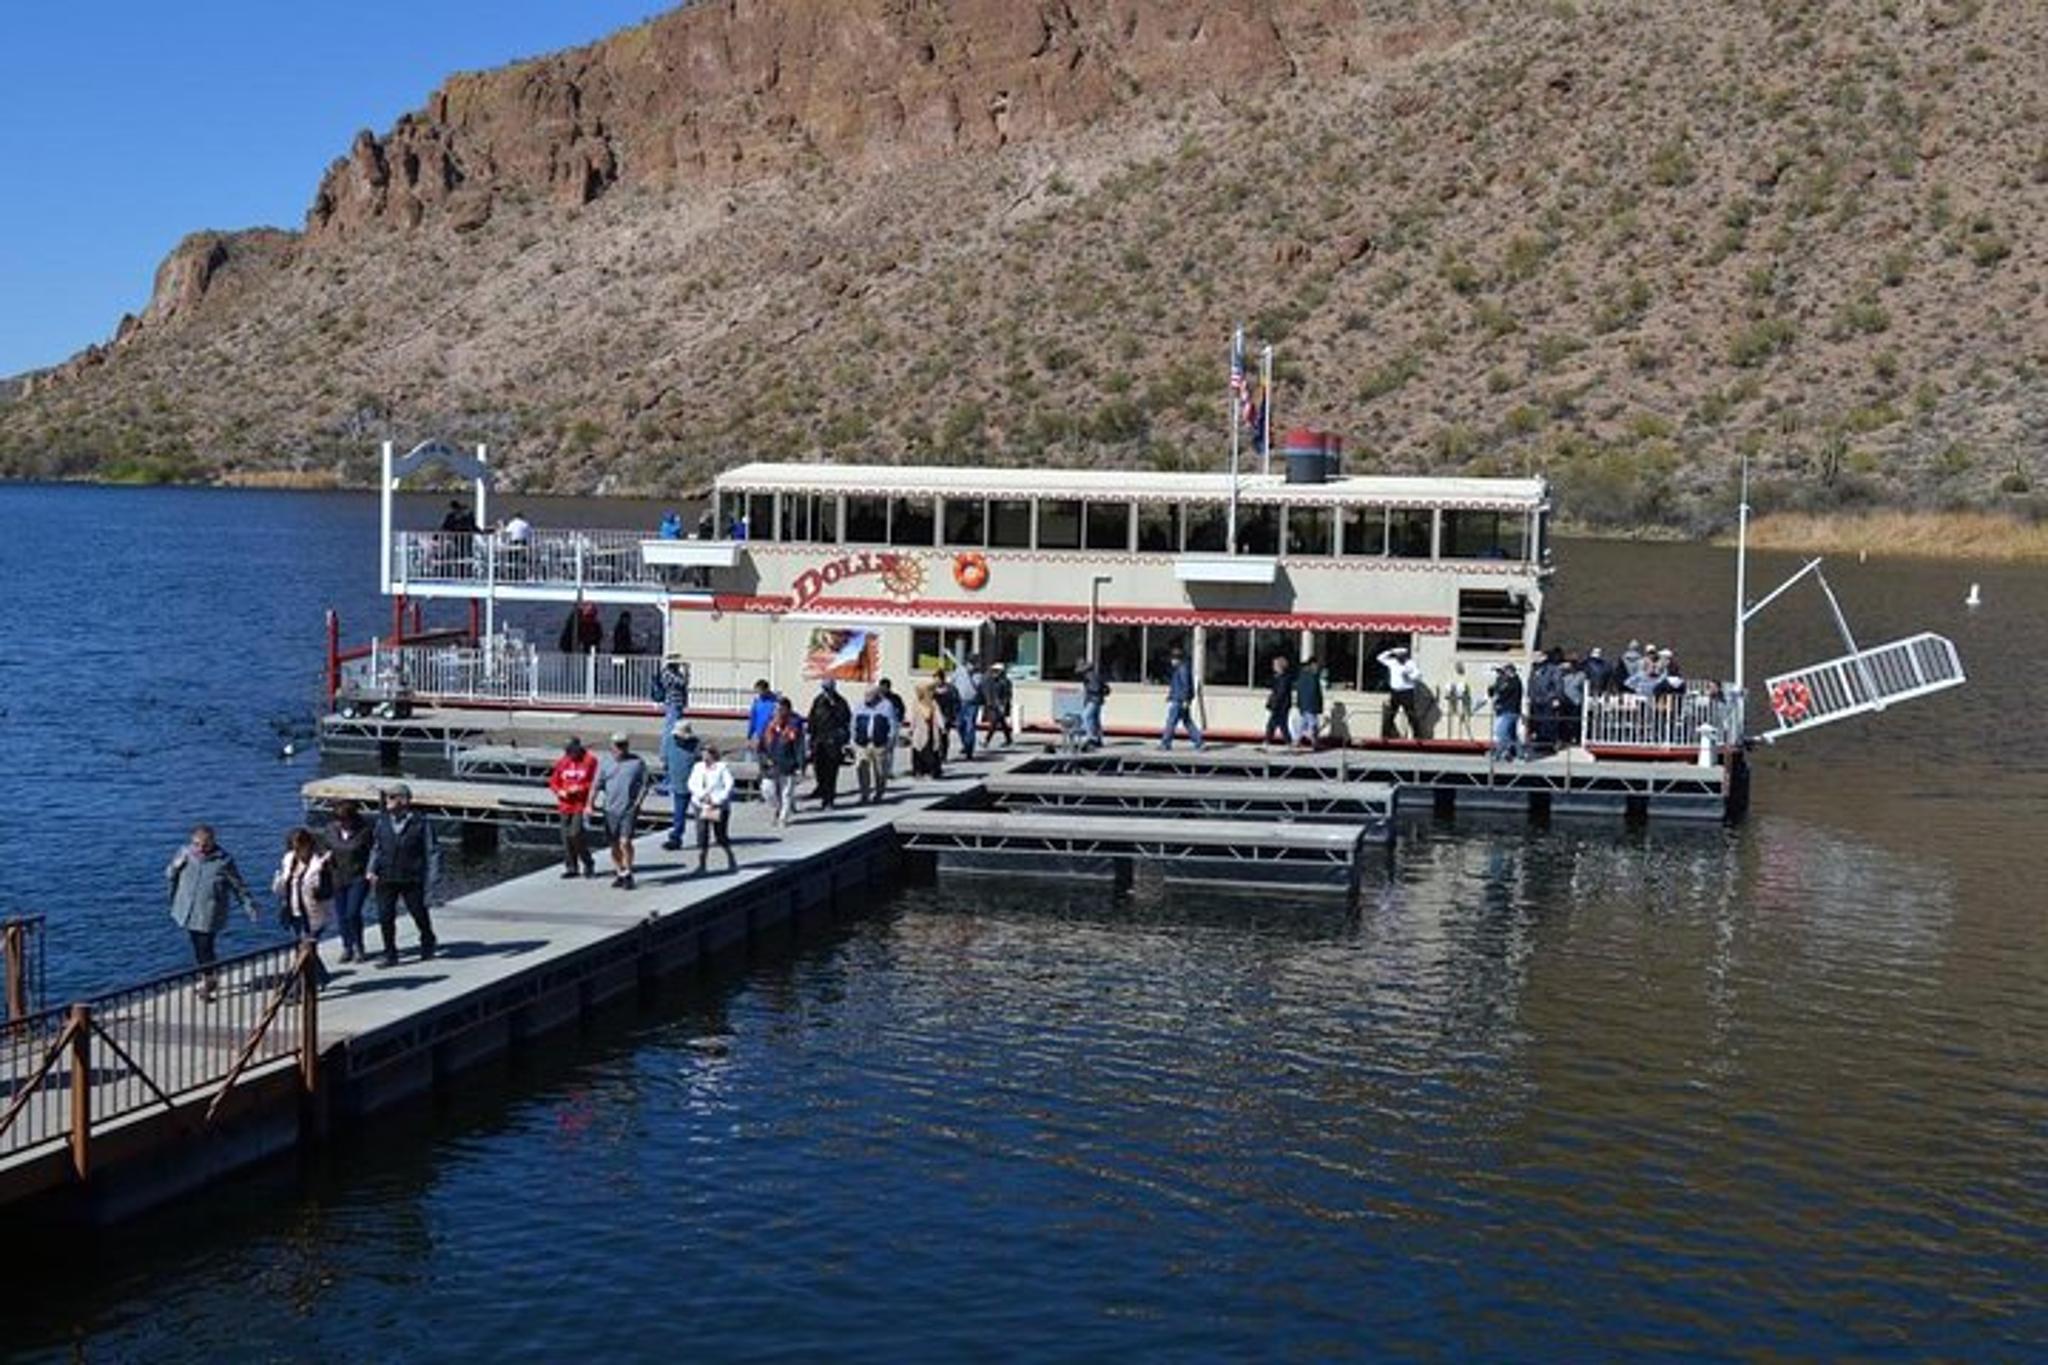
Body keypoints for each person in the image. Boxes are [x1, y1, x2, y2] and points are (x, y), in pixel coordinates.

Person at [166, 824, 256, 1001]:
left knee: (205, 946)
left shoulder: (224, 860)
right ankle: (208, 976)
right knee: (197, 946)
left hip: (209, 912)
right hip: (188, 910)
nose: (200, 848)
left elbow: (237, 885)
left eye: (204, 844)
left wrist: (248, 905)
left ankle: (208, 981)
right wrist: (175, 866)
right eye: (196, 844)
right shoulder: (185, 853)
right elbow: (169, 875)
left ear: (213, 842)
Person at [367, 785, 439, 967]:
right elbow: (376, 847)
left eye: (391, 797)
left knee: (418, 912)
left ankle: (428, 939)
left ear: (403, 800)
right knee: (385, 916)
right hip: (386, 876)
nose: (387, 801)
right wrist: (371, 869)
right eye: (387, 797)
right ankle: (390, 953)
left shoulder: (421, 822)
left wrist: (432, 878)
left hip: (411, 876)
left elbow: (432, 851)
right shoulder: (382, 822)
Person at [271, 827, 334, 987]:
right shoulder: (289, 860)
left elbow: (326, 892)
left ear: (308, 845)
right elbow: (284, 886)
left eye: (300, 848)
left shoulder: (319, 864)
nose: (298, 852)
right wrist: (278, 882)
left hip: (315, 913)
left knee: (305, 949)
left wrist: (319, 880)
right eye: (294, 848)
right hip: (294, 911)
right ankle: (321, 977)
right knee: (304, 948)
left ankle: (300, 985)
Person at [594, 732, 651, 889]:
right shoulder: (605, 763)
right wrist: (589, 804)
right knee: (613, 844)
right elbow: (596, 785)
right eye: (618, 745)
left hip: (628, 808)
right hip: (609, 809)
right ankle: (620, 872)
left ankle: (628, 873)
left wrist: (638, 803)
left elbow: (645, 784)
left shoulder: (637, 762)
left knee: (625, 842)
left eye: (623, 745)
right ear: (612, 746)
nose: (621, 749)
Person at [321, 799, 374, 964]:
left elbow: (373, 851)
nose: (341, 824)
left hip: (358, 876)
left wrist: (371, 871)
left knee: (353, 913)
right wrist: (325, 856)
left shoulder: (364, 831)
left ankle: (359, 946)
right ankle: (347, 946)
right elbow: (325, 846)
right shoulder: (330, 829)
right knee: (342, 915)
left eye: (344, 820)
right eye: (338, 820)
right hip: (337, 877)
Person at [547, 737, 601, 877]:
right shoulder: (563, 762)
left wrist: (580, 788)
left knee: (575, 833)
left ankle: (588, 862)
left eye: (571, 751)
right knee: (566, 837)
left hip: (580, 804)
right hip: (565, 804)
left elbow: (595, 782)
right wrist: (559, 791)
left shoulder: (590, 761)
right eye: (567, 751)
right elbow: (553, 782)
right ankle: (571, 867)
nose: (570, 754)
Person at [687, 744, 739, 874]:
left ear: (713, 754)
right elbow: (691, 784)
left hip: (717, 805)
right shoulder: (697, 767)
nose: (704, 755)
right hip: (701, 804)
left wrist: (718, 800)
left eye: (707, 753)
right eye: (703, 752)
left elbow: (729, 785)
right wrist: (702, 795)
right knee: (702, 833)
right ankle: (702, 864)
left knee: (720, 834)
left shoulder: (722, 768)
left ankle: (730, 857)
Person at [759, 697, 806, 826]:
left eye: (780, 709)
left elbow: (799, 747)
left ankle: (783, 818)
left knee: (786, 793)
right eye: (775, 709)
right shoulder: (769, 725)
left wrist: (801, 765)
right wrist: (763, 760)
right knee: (767, 790)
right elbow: (761, 747)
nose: (777, 711)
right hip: (771, 765)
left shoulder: (794, 725)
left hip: (788, 764)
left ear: (787, 710)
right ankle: (778, 807)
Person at [807, 679, 852, 810]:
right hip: (819, 742)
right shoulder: (818, 701)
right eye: (824, 688)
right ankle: (822, 791)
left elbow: (845, 720)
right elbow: (812, 720)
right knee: (819, 771)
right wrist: (810, 738)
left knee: (831, 773)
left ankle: (829, 800)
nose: (826, 691)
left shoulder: (840, 702)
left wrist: (844, 741)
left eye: (828, 688)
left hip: (833, 743)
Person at [662, 720, 701, 851]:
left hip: (697, 786)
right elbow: (665, 760)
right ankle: (675, 838)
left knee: (702, 813)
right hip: (679, 784)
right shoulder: (670, 742)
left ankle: (705, 835)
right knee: (679, 814)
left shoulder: (696, 744)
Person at [853, 687, 896, 803]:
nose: (866, 697)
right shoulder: (859, 706)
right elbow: (853, 723)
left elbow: (892, 725)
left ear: (877, 695)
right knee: (862, 769)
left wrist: (890, 741)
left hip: (879, 743)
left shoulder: (886, 706)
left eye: (869, 695)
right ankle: (864, 794)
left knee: (880, 770)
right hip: (862, 743)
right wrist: (853, 740)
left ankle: (879, 793)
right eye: (865, 695)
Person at [1160, 646, 1203, 750]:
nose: (1171, 661)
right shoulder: (1180, 669)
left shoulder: (1182, 669)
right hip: (1179, 699)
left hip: (1179, 700)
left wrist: (1185, 700)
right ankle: (1199, 742)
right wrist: (1170, 696)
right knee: (1187, 722)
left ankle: (1165, 743)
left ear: (1177, 659)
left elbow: (1185, 685)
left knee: (1171, 721)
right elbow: (1177, 685)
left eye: (1173, 659)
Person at [1378, 645, 1423, 740]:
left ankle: (1418, 735)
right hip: (1395, 692)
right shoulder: (1392, 662)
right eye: (1398, 656)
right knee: (1390, 714)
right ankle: (1385, 735)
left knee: (1411, 714)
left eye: (1401, 656)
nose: (1399, 658)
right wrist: (1391, 651)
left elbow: (1418, 675)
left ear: (1405, 655)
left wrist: (1409, 675)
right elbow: (1380, 658)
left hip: (1407, 692)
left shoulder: (1410, 663)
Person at [1488, 663, 1524, 762]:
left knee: (1501, 732)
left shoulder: (1514, 682)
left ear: (1510, 671)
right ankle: (1520, 754)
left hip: (1509, 711)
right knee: (1512, 735)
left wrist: (1498, 687)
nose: (1504, 674)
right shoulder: (1512, 681)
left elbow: (1504, 692)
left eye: (1506, 671)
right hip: (1511, 711)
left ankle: (1499, 753)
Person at [910, 683, 946, 778]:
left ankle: (933, 771)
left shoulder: (933, 703)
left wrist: (942, 727)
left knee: (931, 751)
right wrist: (911, 729)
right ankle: (919, 771)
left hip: (931, 731)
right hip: (919, 731)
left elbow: (938, 716)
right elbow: (913, 718)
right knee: (918, 750)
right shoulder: (916, 703)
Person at [1262, 655, 1296, 749]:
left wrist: (1275, 703)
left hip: (1280, 705)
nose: (1273, 667)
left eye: (1275, 665)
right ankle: (1289, 743)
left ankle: (1267, 743)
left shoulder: (1283, 679)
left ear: (1280, 666)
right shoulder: (1279, 677)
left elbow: (1280, 693)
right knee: (1282, 725)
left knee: (1272, 724)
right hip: (1282, 705)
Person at [954, 656, 983, 760]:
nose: (972, 666)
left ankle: (969, 750)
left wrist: (970, 675)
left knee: (970, 726)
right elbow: (953, 682)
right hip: (960, 702)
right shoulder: (959, 670)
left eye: (974, 664)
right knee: (959, 725)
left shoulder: (978, 675)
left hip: (972, 703)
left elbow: (977, 686)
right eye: (971, 664)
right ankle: (965, 744)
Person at [877, 678, 907, 778]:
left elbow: (902, 710)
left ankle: (888, 771)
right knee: (879, 751)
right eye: (881, 686)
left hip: (892, 727)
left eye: (885, 687)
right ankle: (879, 771)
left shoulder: (895, 698)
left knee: (889, 750)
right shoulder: (876, 698)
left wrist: (899, 722)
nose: (883, 689)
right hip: (879, 727)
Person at [1294, 657, 1326, 749]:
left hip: (1306, 704)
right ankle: (1314, 742)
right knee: (1313, 724)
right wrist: (1318, 705)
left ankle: (1297, 740)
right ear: (1312, 665)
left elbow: (1300, 691)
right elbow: (1314, 692)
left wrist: (1300, 703)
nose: (1317, 667)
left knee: (1303, 723)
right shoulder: (1312, 676)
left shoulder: (1303, 675)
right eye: (1316, 665)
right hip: (1311, 704)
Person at [981, 662, 1015, 748]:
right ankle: (1008, 739)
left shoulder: (1005, 682)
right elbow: (987, 690)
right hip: (993, 705)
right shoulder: (991, 680)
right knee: (1002, 723)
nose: (994, 673)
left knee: (994, 723)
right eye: (993, 671)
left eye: (996, 671)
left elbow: (1007, 695)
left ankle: (986, 741)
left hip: (1000, 705)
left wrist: (1003, 705)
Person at [931, 668, 961, 762]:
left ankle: (943, 754)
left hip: (947, 716)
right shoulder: (932, 689)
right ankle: (936, 754)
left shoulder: (951, 689)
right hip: (935, 715)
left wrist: (954, 715)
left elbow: (956, 702)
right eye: (934, 678)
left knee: (944, 735)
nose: (936, 681)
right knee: (936, 736)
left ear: (942, 678)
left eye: (937, 678)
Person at [1078, 658, 1109, 749]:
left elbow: (1095, 688)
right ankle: (1098, 738)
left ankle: (1091, 737)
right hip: (1098, 700)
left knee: (1086, 716)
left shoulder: (1090, 677)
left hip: (1093, 700)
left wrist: (1089, 693)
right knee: (1095, 720)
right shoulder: (1094, 675)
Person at [655, 656, 692, 729]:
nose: (679, 665)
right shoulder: (668, 673)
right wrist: (686, 671)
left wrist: (686, 673)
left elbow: (685, 683)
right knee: (671, 724)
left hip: (678, 702)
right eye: (677, 664)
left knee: (677, 725)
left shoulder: (677, 673)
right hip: (672, 702)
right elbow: (682, 682)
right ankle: (668, 737)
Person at [1444, 663, 1477, 741]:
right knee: (1454, 716)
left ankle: (1464, 736)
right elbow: (1449, 691)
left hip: (1463, 702)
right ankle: (1453, 736)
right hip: (1455, 701)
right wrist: (1450, 694)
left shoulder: (1464, 680)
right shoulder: (1453, 679)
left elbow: (1464, 692)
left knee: (1463, 718)